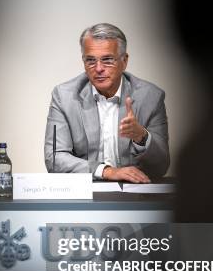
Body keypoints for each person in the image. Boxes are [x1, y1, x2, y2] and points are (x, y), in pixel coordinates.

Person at [44, 23, 169, 183]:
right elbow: (54, 158)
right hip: (85, 191)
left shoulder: (151, 97)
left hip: (133, 193)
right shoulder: (64, 96)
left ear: (124, 61)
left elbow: (161, 166)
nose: (98, 68)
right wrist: (106, 171)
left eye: (107, 60)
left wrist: (141, 136)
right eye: (90, 60)